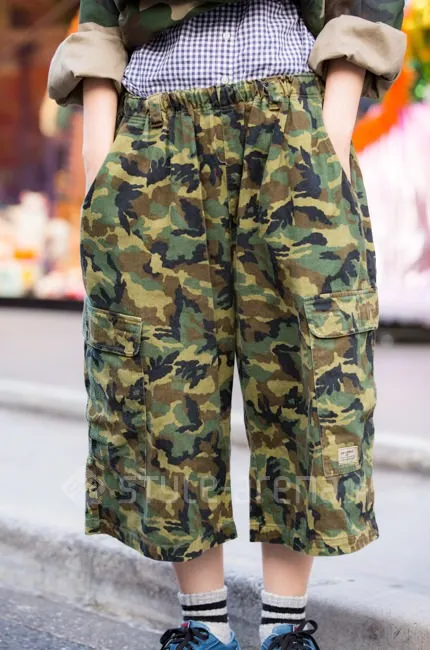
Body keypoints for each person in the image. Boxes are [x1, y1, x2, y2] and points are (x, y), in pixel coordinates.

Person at [48, 1, 406, 648]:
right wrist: (101, 153)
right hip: (154, 133)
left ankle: (284, 629)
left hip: (290, 126)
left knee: (310, 372)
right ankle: (204, 626)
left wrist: (328, 136)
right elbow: (100, 14)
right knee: (157, 380)